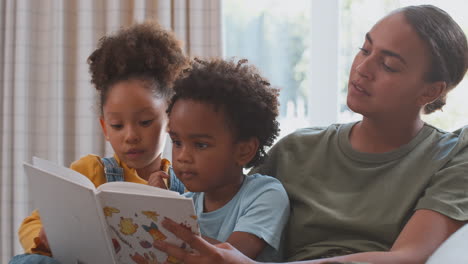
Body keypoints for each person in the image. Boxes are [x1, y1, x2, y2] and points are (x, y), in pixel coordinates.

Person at [153, 5, 468, 264]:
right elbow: (220, 191)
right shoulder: (296, 150)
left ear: (431, 90)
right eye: (365, 49)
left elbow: (410, 256)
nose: (362, 68)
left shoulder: (453, 155)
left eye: (388, 65)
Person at [10, 21, 188, 264]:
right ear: (105, 127)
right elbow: (32, 224)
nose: (130, 136)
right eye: (117, 125)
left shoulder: (187, 183)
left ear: (169, 119)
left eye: (145, 122)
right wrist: (46, 236)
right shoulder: (90, 171)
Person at [163, 57, 290, 261]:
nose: (182, 156)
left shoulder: (265, 195)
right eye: (177, 142)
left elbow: (231, 257)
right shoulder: (185, 205)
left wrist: (166, 233)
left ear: (244, 151)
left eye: (200, 144)